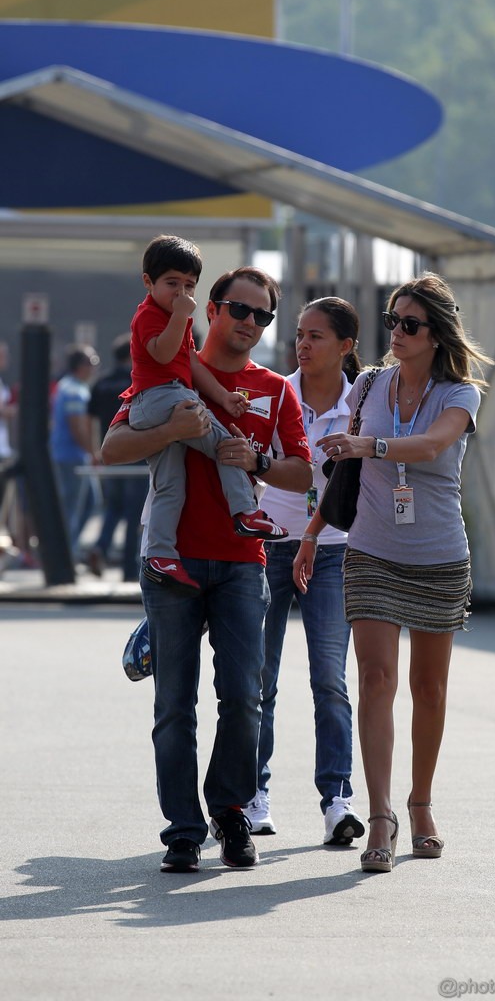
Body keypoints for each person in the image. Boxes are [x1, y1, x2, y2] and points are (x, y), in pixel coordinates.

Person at [101, 265, 312, 873]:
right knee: (174, 706)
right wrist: (172, 428)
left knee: (245, 697)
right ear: (209, 308)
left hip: (244, 563)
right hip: (172, 562)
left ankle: (229, 812)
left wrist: (261, 462)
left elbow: (302, 472)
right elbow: (112, 448)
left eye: (262, 315)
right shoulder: (168, 367)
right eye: (239, 310)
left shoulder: (274, 387)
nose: (249, 323)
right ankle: (183, 831)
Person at [293, 271, 493, 874]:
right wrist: (309, 537)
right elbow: (340, 478)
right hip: (371, 550)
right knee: (376, 681)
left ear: (436, 334)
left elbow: (432, 445)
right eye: (393, 322)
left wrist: (371, 448)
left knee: (429, 691)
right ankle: (381, 813)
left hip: (438, 556)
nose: (398, 333)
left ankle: (421, 802)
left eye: (411, 324)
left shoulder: (460, 394)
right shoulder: (370, 386)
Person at [247, 297, 365, 846]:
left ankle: (337, 800)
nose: (303, 343)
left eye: (316, 335)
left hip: (335, 549)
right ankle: (253, 795)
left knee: (329, 679)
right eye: (299, 334)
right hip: (268, 544)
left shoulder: (362, 402)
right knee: (258, 681)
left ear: (346, 346)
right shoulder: (275, 391)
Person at [122, 234, 287, 596]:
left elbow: (190, 363)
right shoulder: (152, 315)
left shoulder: (276, 387)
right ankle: (245, 512)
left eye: (189, 286)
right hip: (163, 398)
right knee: (226, 444)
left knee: (170, 486)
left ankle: (160, 555)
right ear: (148, 282)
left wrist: (223, 397)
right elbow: (165, 357)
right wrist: (181, 316)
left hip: (165, 399)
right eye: (172, 284)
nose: (181, 294)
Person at [87, 333, 148, 581]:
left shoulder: (101, 382)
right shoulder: (137, 381)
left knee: (113, 507)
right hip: (135, 453)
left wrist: (95, 451)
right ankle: (128, 570)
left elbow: (89, 418)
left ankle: (100, 547)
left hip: (109, 453)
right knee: (135, 514)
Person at [49, 343, 100, 557]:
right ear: (81, 365)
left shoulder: (66, 386)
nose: (95, 368)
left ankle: (69, 550)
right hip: (72, 459)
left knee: (90, 503)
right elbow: (77, 426)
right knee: (72, 509)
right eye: (93, 362)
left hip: (72, 457)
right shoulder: (75, 391)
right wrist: (92, 453)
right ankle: (65, 555)